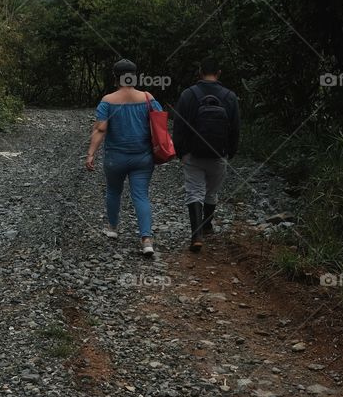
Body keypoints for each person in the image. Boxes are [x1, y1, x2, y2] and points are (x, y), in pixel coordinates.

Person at [85, 59, 163, 257]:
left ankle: (112, 228)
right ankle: (146, 240)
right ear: (134, 76)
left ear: (115, 77)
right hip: (143, 157)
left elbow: (101, 129)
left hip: (115, 158)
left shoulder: (108, 101)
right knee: (141, 195)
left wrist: (91, 153)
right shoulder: (148, 98)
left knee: (113, 191)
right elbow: (160, 123)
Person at [171, 58, 240, 252]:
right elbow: (235, 128)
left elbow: (179, 126)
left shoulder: (187, 95)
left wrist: (181, 151)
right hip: (219, 154)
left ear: (200, 72)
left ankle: (197, 236)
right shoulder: (230, 96)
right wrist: (231, 151)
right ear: (218, 73)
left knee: (194, 191)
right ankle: (207, 225)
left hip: (193, 155)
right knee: (211, 192)